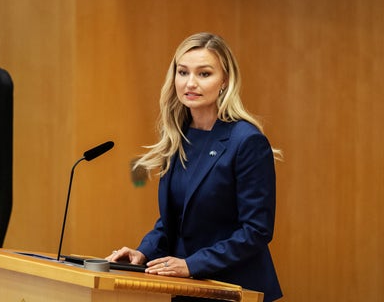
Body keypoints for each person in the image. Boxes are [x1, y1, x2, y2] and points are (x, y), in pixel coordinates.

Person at [108, 32, 283, 301]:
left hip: (233, 289)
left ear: (225, 80)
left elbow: (256, 231)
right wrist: (142, 252)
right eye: (182, 72)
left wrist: (192, 265)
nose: (190, 83)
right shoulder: (179, 137)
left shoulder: (247, 141)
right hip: (187, 289)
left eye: (204, 74)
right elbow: (175, 221)